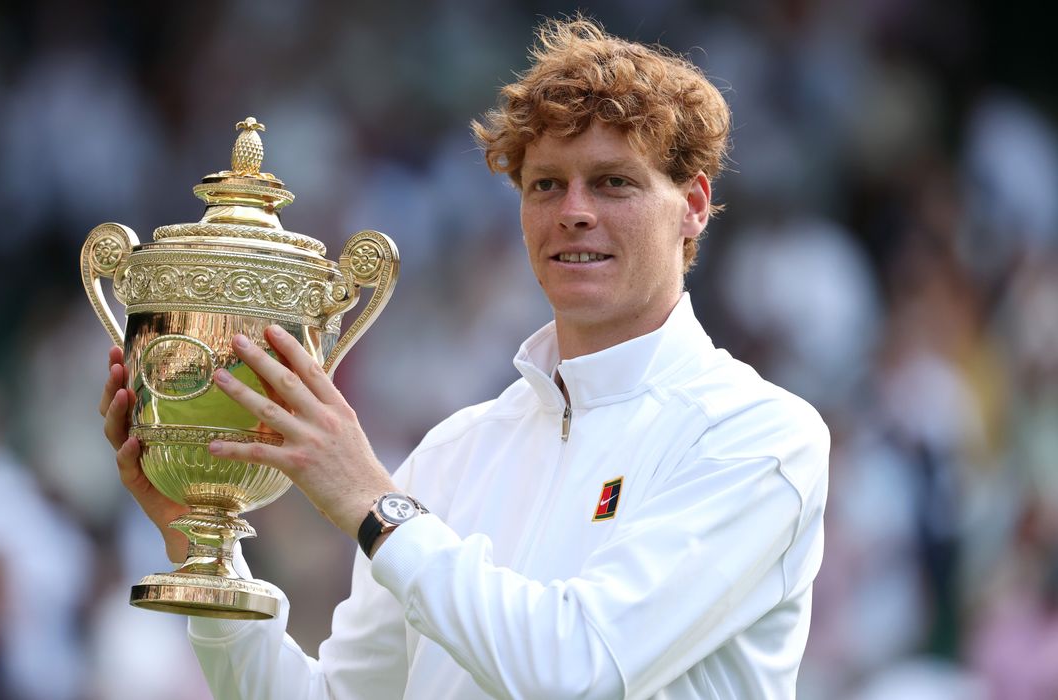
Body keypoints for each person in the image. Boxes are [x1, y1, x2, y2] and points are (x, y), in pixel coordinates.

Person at [100, 17, 829, 699]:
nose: (574, 209)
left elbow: (576, 671)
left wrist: (370, 503)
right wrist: (204, 545)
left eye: (613, 181)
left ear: (694, 204)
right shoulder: (453, 451)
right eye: (545, 184)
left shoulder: (759, 437)